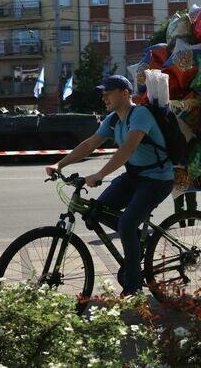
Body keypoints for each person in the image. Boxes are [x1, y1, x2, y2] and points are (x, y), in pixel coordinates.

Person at [46, 75, 174, 296]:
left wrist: (100, 174)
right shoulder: (114, 119)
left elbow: (128, 149)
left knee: (126, 224)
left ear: (125, 93)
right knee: (95, 213)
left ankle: (133, 288)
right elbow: (89, 144)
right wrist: (60, 163)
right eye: (102, 93)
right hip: (134, 176)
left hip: (157, 179)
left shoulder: (140, 114)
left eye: (108, 92)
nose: (103, 97)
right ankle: (141, 241)